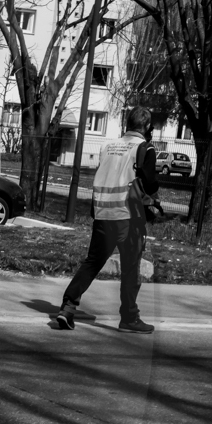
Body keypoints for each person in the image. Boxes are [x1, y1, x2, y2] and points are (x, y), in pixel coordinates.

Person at [55, 105, 159, 333]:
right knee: (130, 269)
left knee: (92, 262)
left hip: (103, 213)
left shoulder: (107, 146)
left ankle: (67, 308)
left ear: (127, 124)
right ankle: (129, 318)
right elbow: (151, 184)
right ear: (147, 127)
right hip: (129, 217)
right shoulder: (145, 149)